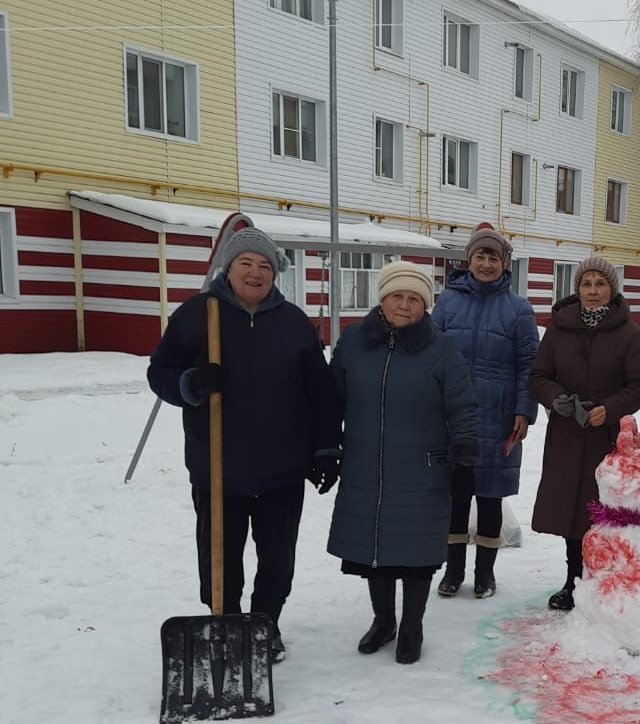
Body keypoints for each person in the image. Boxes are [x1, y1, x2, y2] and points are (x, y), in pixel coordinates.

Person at [147, 223, 340, 663]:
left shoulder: (294, 323)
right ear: (228, 268)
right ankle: (226, 622)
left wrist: (326, 448)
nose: (255, 273)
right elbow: (159, 373)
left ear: (276, 274)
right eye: (245, 264)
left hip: (282, 469)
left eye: (264, 266)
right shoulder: (197, 314)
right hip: (218, 466)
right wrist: (190, 383)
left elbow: (320, 392)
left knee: (277, 561)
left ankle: (264, 625)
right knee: (219, 559)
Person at [327, 261, 479, 664]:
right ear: (383, 298)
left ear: (425, 306)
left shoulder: (442, 350)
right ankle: (383, 621)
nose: (405, 305)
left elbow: (462, 406)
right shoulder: (354, 342)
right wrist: (325, 447)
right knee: (373, 552)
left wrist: (465, 455)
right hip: (365, 466)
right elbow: (330, 400)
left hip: (423, 468)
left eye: (415, 299)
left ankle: (412, 625)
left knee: (416, 556)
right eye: (398, 296)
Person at [528, 255, 640, 611]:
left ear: (611, 290)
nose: (593, 290)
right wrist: (556, 400)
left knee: (604, 510)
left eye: (601, 284)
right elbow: (538, 377)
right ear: (578, 289)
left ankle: (605, 578)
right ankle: (574, 581)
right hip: (566, 435)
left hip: (608, 438)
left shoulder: (628, 333)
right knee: (572, 511)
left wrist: (610, 410)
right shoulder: (557, 330)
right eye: (587, 284)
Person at [431, 223, 540, 599]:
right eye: (481, 255)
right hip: (454, 415)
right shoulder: (446, 303)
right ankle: (453, 572)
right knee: (455, 496)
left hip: (500, 415)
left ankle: (485, 575)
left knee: (491, 496)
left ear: (504, 263)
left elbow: (530, 365)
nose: (487, 263)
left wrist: (524, 411)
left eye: (494, 256)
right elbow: (431, 355)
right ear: (469, 259)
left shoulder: (519, 309)